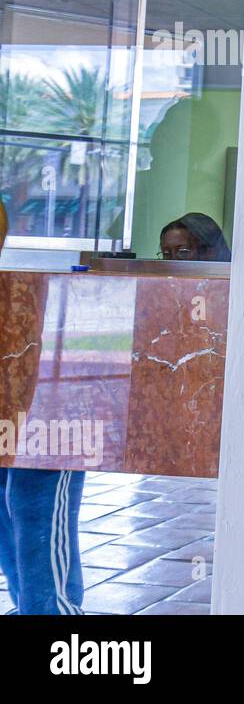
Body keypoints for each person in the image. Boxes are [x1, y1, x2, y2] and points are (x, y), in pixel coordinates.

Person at [0, 196, 86, 614]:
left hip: (45, 398)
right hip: (15, 392)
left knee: (35, 501)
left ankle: (51, 611)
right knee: (9, 500)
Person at [160, 212, 231, 262]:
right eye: (166, 253)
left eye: (183, 251)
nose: (173, 260)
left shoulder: (232, 282)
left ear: (209, 253)